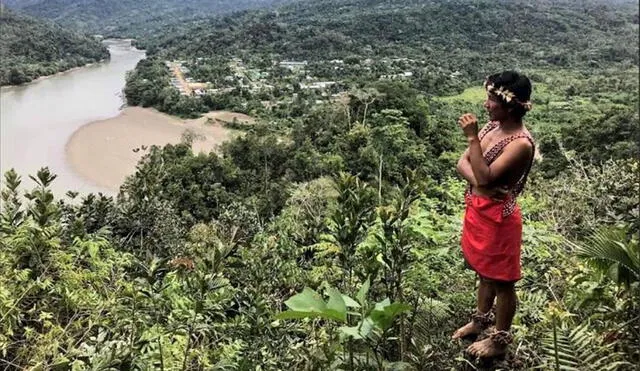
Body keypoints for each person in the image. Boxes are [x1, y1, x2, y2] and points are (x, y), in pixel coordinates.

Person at [452, 71, 536, 358]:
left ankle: (499, 341)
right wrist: (480, 184)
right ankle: (480, 321)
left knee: (503, 281)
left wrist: (473, 139)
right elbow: (461, 164)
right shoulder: (491, 128)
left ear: (510, 106)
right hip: (478, 209)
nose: (486, 105)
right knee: (485, 274)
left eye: (492, 100)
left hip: (500, 218)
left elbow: (485, 175)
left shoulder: (520, 143)